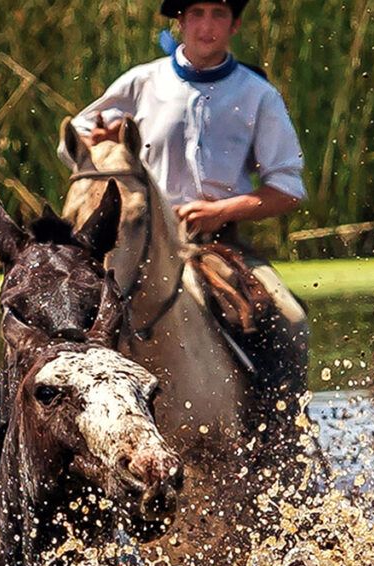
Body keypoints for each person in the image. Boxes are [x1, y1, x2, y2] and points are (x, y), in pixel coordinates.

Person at [58, 0, 310, 422]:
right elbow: (78, 139)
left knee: (290, 317)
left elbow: (287, 188)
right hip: (141, 243)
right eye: (196, 14)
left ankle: (283, 435)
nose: (206, 26)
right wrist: (103, 143)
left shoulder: (258, 94)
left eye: (218, 15)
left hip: (218, 248)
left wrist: (222, 209)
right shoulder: (142, 82)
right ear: (180, 22)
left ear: (235, 25)